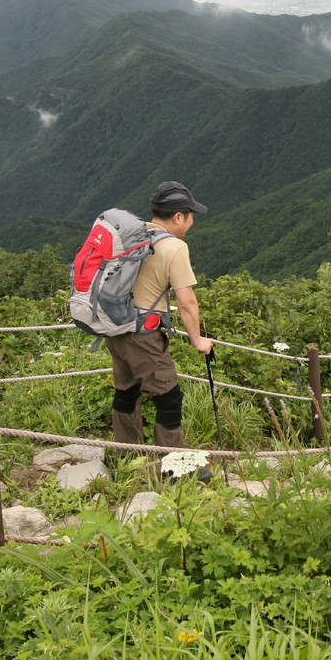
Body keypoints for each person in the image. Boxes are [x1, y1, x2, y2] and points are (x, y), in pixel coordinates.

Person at [107, 181, 215, 480]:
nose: (192, 223)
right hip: (143, 334)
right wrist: (198, 340)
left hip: (116, 327)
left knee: (127, 391)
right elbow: (187, 301)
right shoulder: (174, 247)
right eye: (191, 216)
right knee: (169, 397)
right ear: (178, 216)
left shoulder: (133, 235)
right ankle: (175, 470)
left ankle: (128, 459)